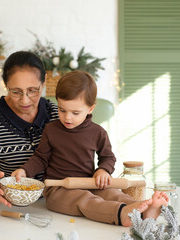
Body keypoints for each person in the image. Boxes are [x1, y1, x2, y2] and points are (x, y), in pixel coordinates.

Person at [12, 70, 169, 226]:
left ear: (90, 109)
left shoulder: (98, 132)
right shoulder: (51, 130)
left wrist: (103, 170)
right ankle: (121, 214)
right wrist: (25, 171)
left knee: (112, 193)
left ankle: (145, 209)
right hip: (59, 191)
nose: (67, 117)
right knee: (86, 201)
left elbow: (108, 157)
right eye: (62, 110)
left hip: (89, 183)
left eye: (75, 112)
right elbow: (40, 158)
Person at [0, 51, 59, 207]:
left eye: (33, 90)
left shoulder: (58, 115)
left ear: (43, 83)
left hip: (48, 207)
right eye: (16, 92)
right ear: (5, 85)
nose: (25, 100)